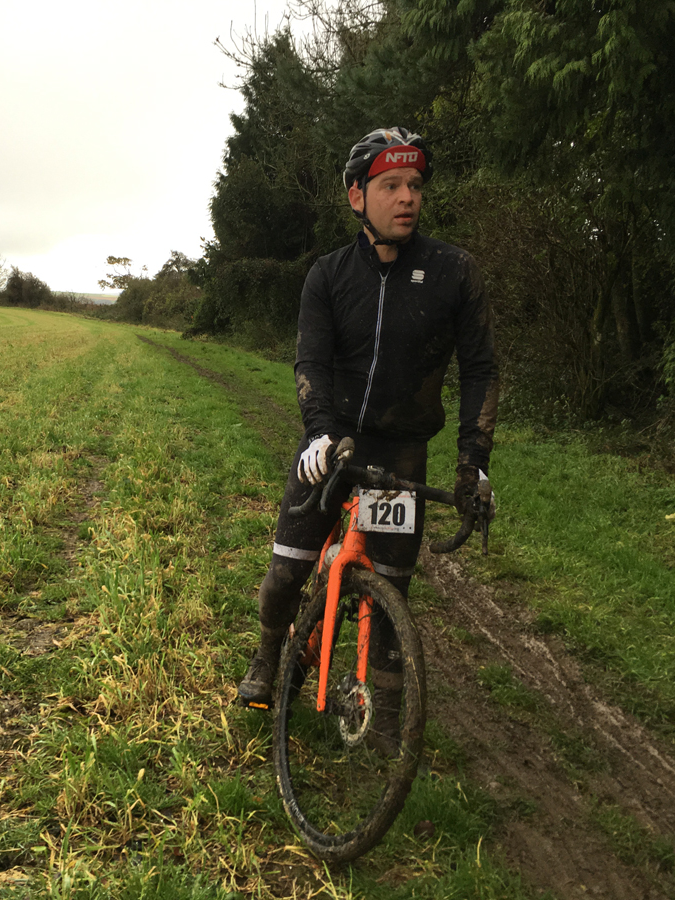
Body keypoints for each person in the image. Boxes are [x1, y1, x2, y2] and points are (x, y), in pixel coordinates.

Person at [236, 127, 499, 751]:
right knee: (286, 572)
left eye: (415, 185)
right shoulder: (328, 275)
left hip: (403, 452)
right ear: (357, 196)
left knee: (389, 593)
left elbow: (481, 369)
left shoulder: (454, 272)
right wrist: (319, 432)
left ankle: (385, 717)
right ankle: (269, 657)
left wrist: (474, 461)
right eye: (391, 185)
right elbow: (310, 361)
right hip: (335, 446)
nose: (407, 197)